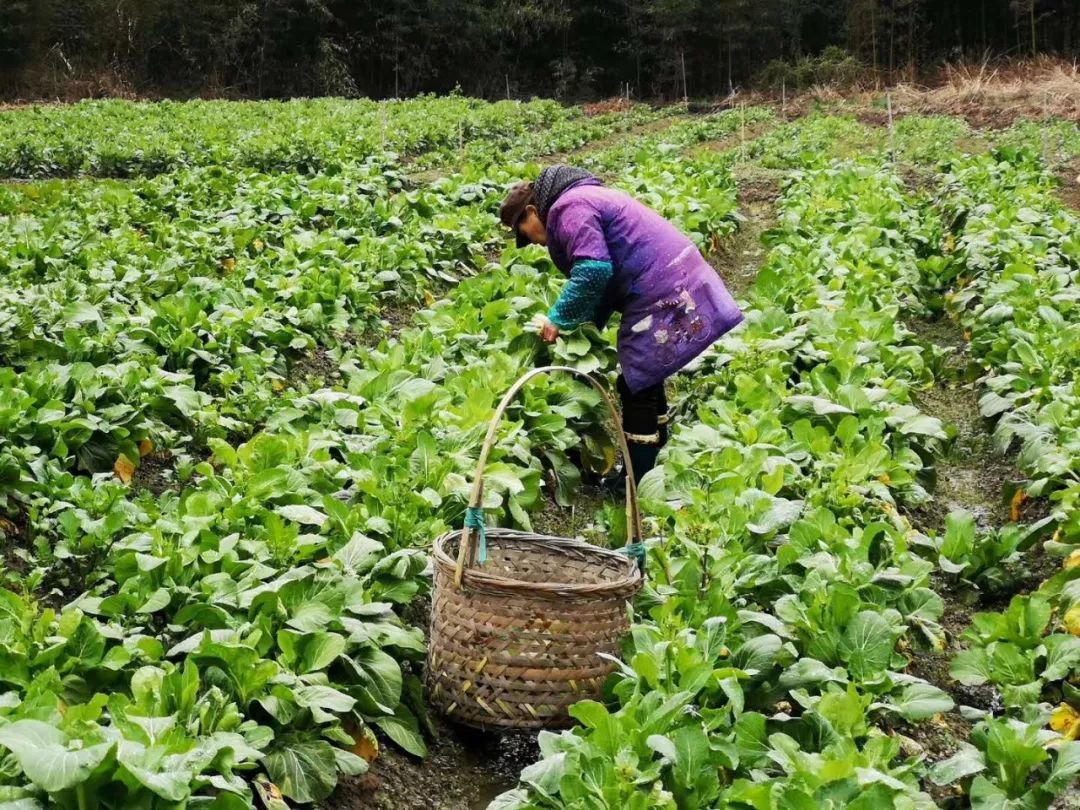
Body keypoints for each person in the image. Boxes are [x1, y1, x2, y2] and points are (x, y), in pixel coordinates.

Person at [499, 164, 744, 484]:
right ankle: (651, 469)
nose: (530, 241)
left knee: (635, 383)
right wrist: (586, 326)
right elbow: (603, 284)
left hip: (661, 284)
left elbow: (594, 270)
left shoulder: (566, 208)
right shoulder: (582, 197)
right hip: (674, 274)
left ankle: (638, 479)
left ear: (532, 211)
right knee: (645, 375)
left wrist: (557, 318)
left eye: (523, 230)